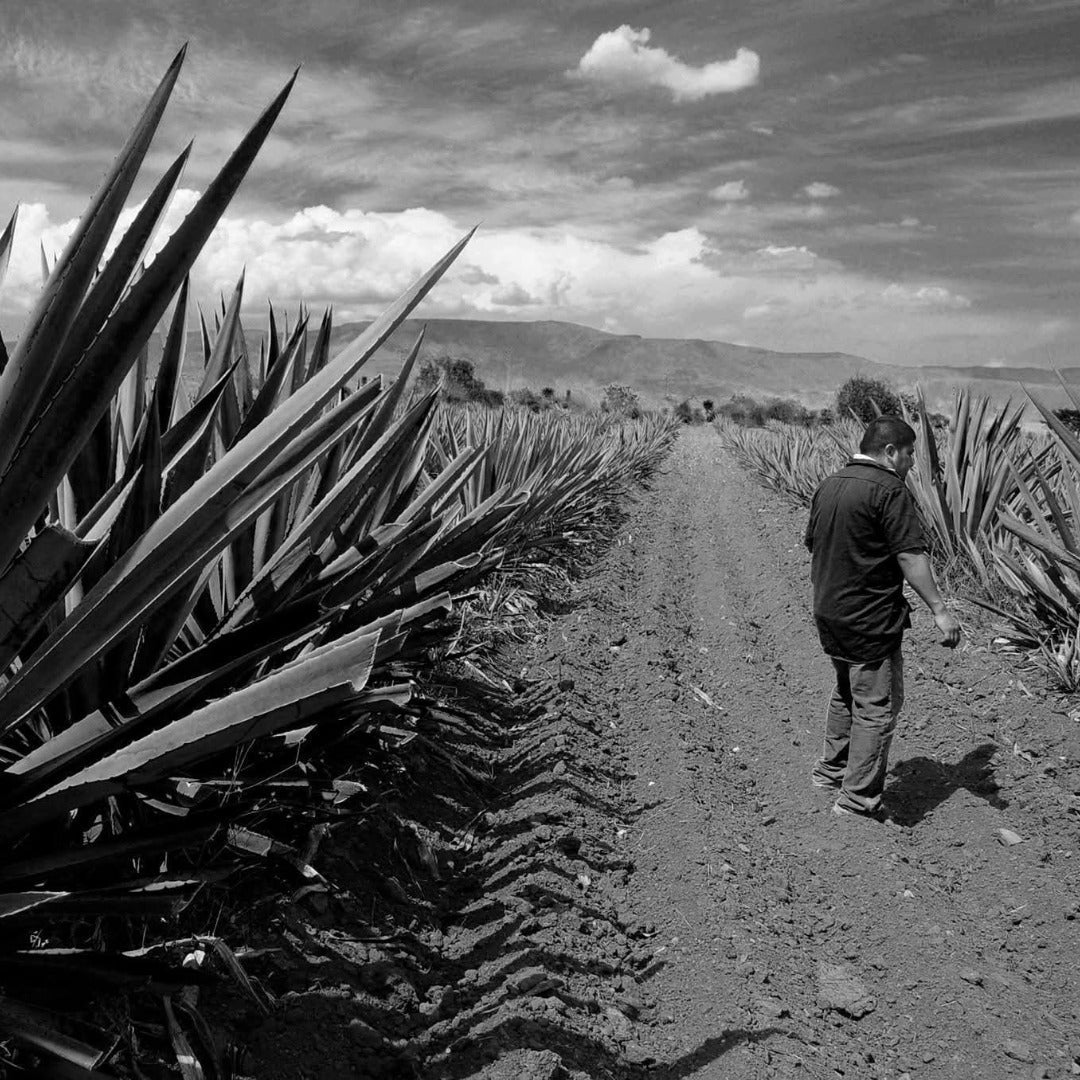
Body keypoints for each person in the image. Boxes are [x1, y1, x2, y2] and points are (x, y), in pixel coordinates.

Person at [804, 415, 961, 819]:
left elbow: (814, 542)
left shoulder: (831, 483)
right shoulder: (889, 490)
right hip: (870, 617)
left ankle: (831, 770)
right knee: (876, 704)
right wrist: (940, 611)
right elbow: (910, 555)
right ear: (890, 452)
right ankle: (857, 799)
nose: (911, 463)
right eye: (909, 454)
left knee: (845, 690)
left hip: (830, 611)